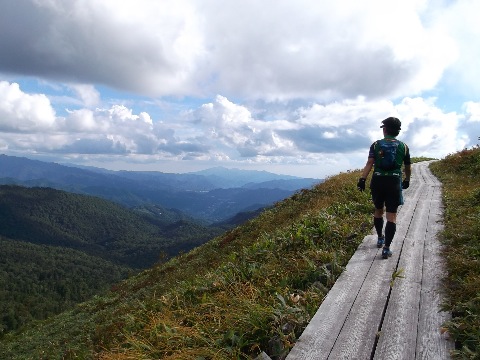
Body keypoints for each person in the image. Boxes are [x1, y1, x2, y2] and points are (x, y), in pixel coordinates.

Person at [357, 117, 411, 259]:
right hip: (393, 181)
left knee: (378, 210)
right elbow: (407, 166)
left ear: (385, 129)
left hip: (378, 181)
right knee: (392, 215)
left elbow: (370, 162)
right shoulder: (404, 146)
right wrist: (407, 179)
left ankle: (380, 237)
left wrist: (362, 179)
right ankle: (386, 248)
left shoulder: (376, 145)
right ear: (397, 131)